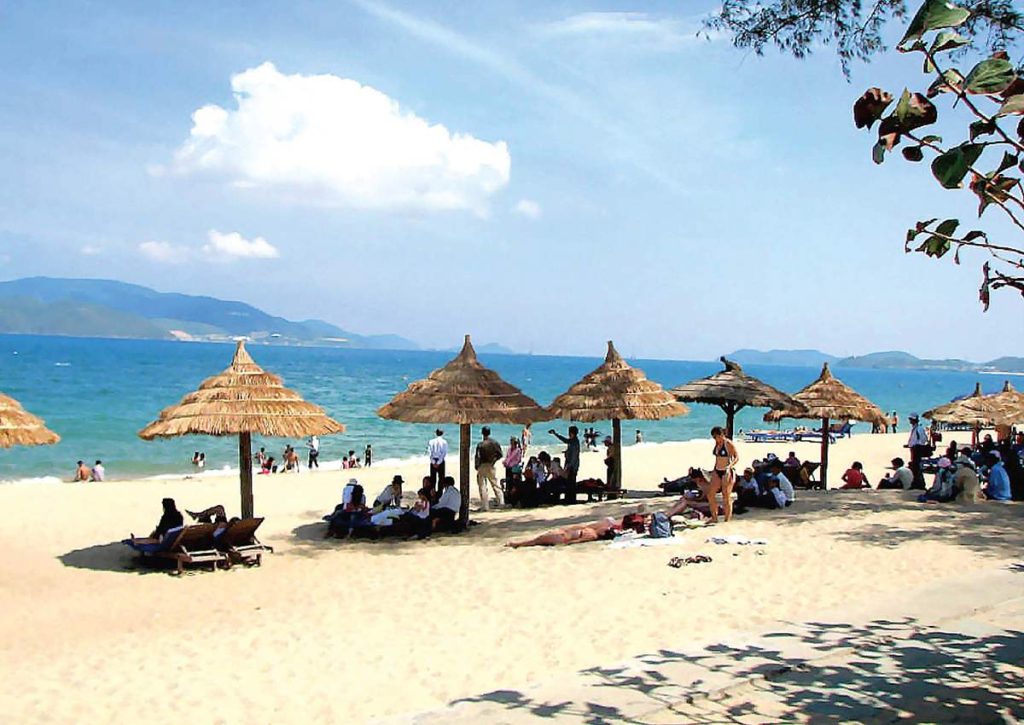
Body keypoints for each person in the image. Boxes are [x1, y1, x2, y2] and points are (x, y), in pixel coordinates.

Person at [506, 517, 620, 548]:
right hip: (562, 533)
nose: (604, 528)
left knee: (537, 540)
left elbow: (579, 540)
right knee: (539, 539)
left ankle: (517, 544)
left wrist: (566, 543)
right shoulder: (593, 531)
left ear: (603, 534)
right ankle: (518, 543)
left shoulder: (592, 535)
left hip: (562, 537)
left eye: (605, 530)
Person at [707, 426, 738, 522]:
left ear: (721, 435)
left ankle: (727, 519)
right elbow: (717, 458)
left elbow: (736, 457)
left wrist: (730, 466)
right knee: (710, 494)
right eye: (713, 437)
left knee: (726, 495)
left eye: (716, 437)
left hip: (726, 471)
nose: (715, 439)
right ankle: (714, 517)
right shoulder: (717, 444)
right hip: (717, 470)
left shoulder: (728, 443)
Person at [549, 425, 581, 504]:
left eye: (569, 432)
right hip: (570, 465)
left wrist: (569, 466)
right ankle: (569, 499)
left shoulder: (574, 442)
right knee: (569, 482)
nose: (568, 434)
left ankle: (571, 500)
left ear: (572, 433)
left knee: (571, 483)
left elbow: (574, 456)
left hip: (572, 466)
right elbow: (565, 441)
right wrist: (555, 434)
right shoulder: (572, 441)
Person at [474, 426, 504, 511]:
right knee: (495, 484)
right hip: (491, 465)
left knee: (482, 486)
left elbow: (477, 457)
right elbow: (500, 454)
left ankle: (485, 506)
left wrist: (476, 466)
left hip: (482, 465)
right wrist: (493, 461)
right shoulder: (494, 443)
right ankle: (501, 502)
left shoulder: (480, 444)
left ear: (482, 433)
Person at [906, 413, 930, 489]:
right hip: (914, 449)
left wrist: (916, 445)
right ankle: (917, 483)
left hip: (917, 449)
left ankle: (919, 484)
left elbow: (924, 439)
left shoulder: (919, 428)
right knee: (915, 466)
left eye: (911, 419)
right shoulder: (915, 428)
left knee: (917, 467)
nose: (910, 421)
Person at [427, 428, 448, 495]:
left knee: (433, 479)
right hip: (441, 461)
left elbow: (429, 452)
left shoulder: (431, 441)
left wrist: (433, 462)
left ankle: (432, 493)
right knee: (441, 479)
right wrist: (439, 462)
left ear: (436, 433)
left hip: (433, 460)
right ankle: (440, 494)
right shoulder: (444, 442)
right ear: (442, 433)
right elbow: (444, 453)